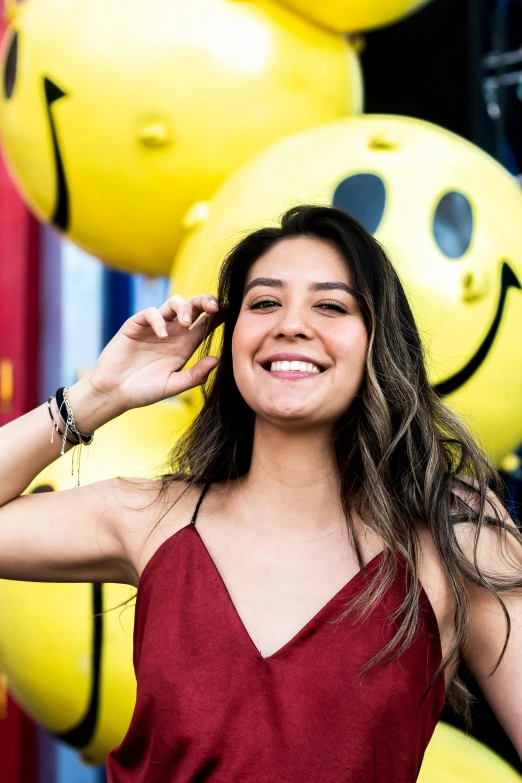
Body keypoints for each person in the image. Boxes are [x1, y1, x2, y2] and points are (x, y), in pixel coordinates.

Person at [1, 205, 521, 782]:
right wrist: (99, 395)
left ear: (378, 341)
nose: (291, 324)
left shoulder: (453, 527)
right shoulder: (153, 518)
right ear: (234, 340)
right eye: (265, 303)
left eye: (331, 305)